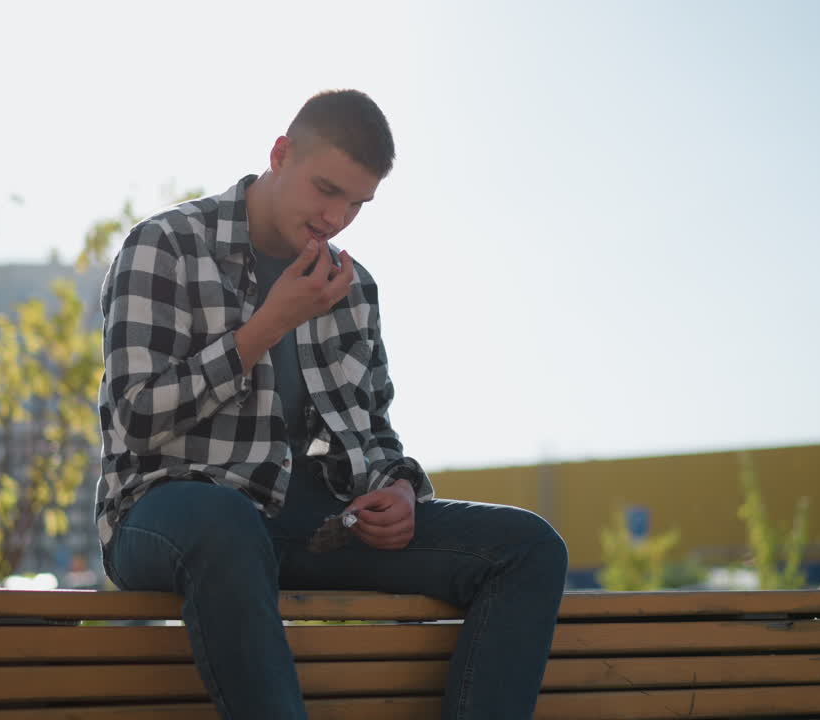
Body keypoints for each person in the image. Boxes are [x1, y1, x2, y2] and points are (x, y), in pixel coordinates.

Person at [94, 89, 567, 719]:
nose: (336, 218)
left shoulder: (353, 287)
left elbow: (372, 435)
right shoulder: (166, 245)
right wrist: (266, 326)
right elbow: (138, 417)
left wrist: (399, 492)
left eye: (357, 203)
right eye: (325, 189)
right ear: (280, 153)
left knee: (529, 546)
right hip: (164, 512)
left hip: (310, 523)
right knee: (225, 522)